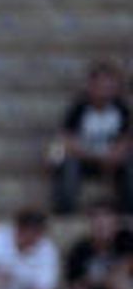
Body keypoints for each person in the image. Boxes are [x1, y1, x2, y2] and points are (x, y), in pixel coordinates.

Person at [49, 59, 133, 216]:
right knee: (62, 159)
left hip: (112, 160)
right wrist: (95, 156)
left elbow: (126, 139)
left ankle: (129, 208)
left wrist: (114, 155)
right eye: (101, 85)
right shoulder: (78, 108)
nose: (105, 90)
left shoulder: (122, 109)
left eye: (109, 85)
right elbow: (66, 140)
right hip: (85, 159)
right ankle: (65, 208)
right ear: (91, 86)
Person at [62, 202, 132, 289]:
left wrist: (92, 282)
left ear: (115, 223)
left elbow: (123, 270)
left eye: (106, 219)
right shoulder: (80, 250)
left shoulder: (126, 240)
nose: (101, 224)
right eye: (97, 219)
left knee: (118, 286)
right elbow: (75, 286)